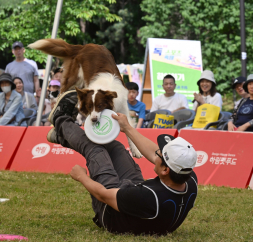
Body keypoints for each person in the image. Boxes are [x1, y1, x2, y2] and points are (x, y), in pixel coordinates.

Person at [46, 90, 198, 235]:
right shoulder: (188, 178)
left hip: (109, 211)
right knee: (116, 147)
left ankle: (60, 118)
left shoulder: (148, 197)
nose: (157, 152)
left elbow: (103, 195)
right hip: (135, 196)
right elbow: (153, 153)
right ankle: (62, 136)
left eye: (160, 154)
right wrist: (127, 128)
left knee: (94, 149)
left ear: (165, 170)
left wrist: (81, 177)